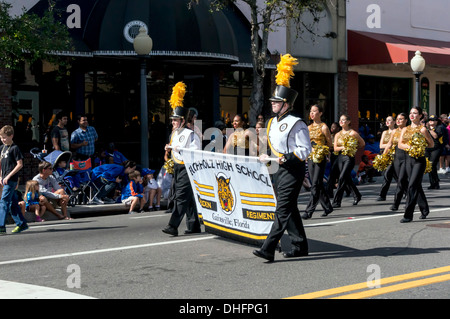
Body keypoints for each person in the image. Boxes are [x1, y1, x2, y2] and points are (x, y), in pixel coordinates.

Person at [253, 53, 312, 262]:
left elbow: (305, 149)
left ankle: (268, 248)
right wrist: (266, 156)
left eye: (277, 101)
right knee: (289, 208)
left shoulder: (297, 123)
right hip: (277, 169)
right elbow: (272, 146)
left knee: (282, 208)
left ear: (286, 103)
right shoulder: (270, 122)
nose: (272, 104)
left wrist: (286, 158)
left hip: (292, 170)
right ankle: (300, 245)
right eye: (272, 101)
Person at [162, 81, 202, 236]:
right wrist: (168, 148)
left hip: (188, 167)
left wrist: (181, 149)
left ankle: (173, 226)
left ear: (183, 121)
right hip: (178, 167)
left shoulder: (190, 134)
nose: (173, 122)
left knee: (181, 196)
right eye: (172, 120)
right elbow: (173, 148)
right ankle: (193, 226)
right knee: (189, 197)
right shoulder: (174, 133)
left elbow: (196, 150)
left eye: (176, 120)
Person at [398, 106, 433, 223]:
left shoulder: (423, 130)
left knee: (412, 185)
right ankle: (424, 209)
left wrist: (419, 147)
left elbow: (431, 144)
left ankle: (408, 215)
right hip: (408, 159)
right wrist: (410, 147)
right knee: (416, 185)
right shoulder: (404, 129)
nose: (412, 115)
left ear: (420, 116)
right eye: (411, 113)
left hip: (419, 160)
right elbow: (400, 144)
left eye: (415, 113)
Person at [302, 104, 333, 219]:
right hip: (310, 157)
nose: (312, 113)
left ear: (320, 113)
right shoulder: (308, 128)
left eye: (314, 111)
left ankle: (309, 211)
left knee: (315, 183)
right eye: (311, 111)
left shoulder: (324, 127)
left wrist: (323, 151)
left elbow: (330, 144)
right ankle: (328, 207)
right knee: (317, 183)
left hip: (320, 157)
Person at [0, 125, 29, 235]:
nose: (3, 139)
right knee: (12, 203)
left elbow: (20, 164)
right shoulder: (2, 149)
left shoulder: (14, 148)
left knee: (3, 202)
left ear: (11, 136)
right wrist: (1, 176)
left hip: (11, 179)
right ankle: (21, 223)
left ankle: (1, 226)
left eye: (5, 137)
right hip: (5, 179)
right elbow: (1, 164)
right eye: (1, 137)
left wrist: (8, 176)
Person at [332, 114, 365, 208]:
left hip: (349, 158)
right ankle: (357, 195)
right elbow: (335, 148)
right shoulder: (337, 134)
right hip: (340, 157)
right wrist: (344, 147)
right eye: (340, 120)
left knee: (342, 177)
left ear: (348, 122)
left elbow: (362, 143)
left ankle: (336, 201)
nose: (341, 122)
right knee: (347, 178)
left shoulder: (353, 133)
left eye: (343, 120)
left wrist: (353, 148)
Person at [382, 113, 408, 211]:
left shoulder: (409, 131)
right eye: (397, 119)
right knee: (401, 181)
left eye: (401, 119)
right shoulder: (394, 131)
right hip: (397, 158)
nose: (398, 121)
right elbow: (389, 144)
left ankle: (395, 204)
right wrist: (383, 157)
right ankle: (410, 199)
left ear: (406, 120)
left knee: (401, 180)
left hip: (406, 157)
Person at [377, 116, 397, 200]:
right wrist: (390, 145)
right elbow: (381, 145)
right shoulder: (384, 132)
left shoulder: (397, 132)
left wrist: (390, 145)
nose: (387, 122)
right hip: (386, 155)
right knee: (390, 175)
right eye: (386, 120)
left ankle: (382, 194)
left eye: (389, 120)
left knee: (390, 174)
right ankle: (382, 195)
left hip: (395, 155)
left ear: (394, 122)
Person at [426, 115, 444, 189]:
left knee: (432, 164)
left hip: (436, 148)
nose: (431, 122)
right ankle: (432, 183)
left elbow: (435, 136)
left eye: (433, 120)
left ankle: (436, 182)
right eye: (430, 120)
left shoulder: (439, 127)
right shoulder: (425, 128)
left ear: (437, 121)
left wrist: (429, 129)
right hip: (428, 148)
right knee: (429, 166)